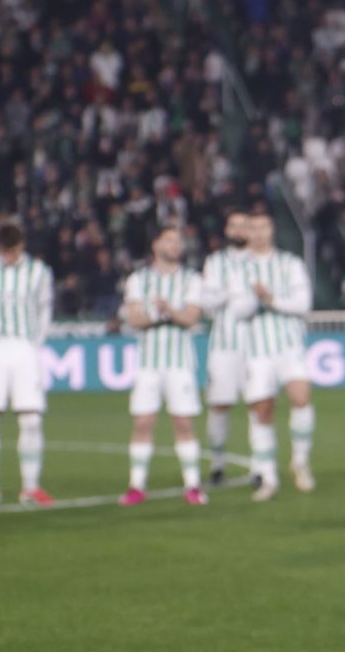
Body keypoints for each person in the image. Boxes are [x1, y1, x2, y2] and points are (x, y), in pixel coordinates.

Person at [119, 226, 208, 507]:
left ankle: (193, 485)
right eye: (169, 239)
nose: (175, 245)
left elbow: (191, 317)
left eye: (178, 240)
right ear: (155, 244)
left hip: (180, 363)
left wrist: (169, 311)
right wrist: (159, 312)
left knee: (183, 423)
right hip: (148, 364)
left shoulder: (191, 279)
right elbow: (134, 319)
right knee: (143, 422)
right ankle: (136, 485)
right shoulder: (138, 280)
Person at [0, 220, 55, 507]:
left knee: (31, 420)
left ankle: (31, 487)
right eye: (5, 251)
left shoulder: (39, 272)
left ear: (22, 246)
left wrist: (35, 343)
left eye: (14, 250)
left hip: (25, 349)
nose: (9, 256)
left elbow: (45, 307)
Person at [235, 212, 317, 500]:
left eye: (263, 227)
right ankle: (268, 476)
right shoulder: (239, 269)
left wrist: (270, 300)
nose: (258, 233)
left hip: (289, 346)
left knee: (301, 398)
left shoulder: (290, 264)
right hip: (256, 351)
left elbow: (303, 304)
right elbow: (237, 311)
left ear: (271, 230)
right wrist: (256, 300)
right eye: (253, 228)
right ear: (247, 234)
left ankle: (300, 461)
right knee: (263, 411)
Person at [200, 209, 253, 487]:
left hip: (258, 347)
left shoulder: (263, 262)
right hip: (223, 345)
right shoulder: (215, 262)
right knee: (219, 404)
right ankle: (217, 465)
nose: (239, 230)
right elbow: (206, 302)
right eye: (234, 225)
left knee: (259, 405)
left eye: (244, 225)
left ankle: (261, 466)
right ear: (227, 230)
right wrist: (229, 293)